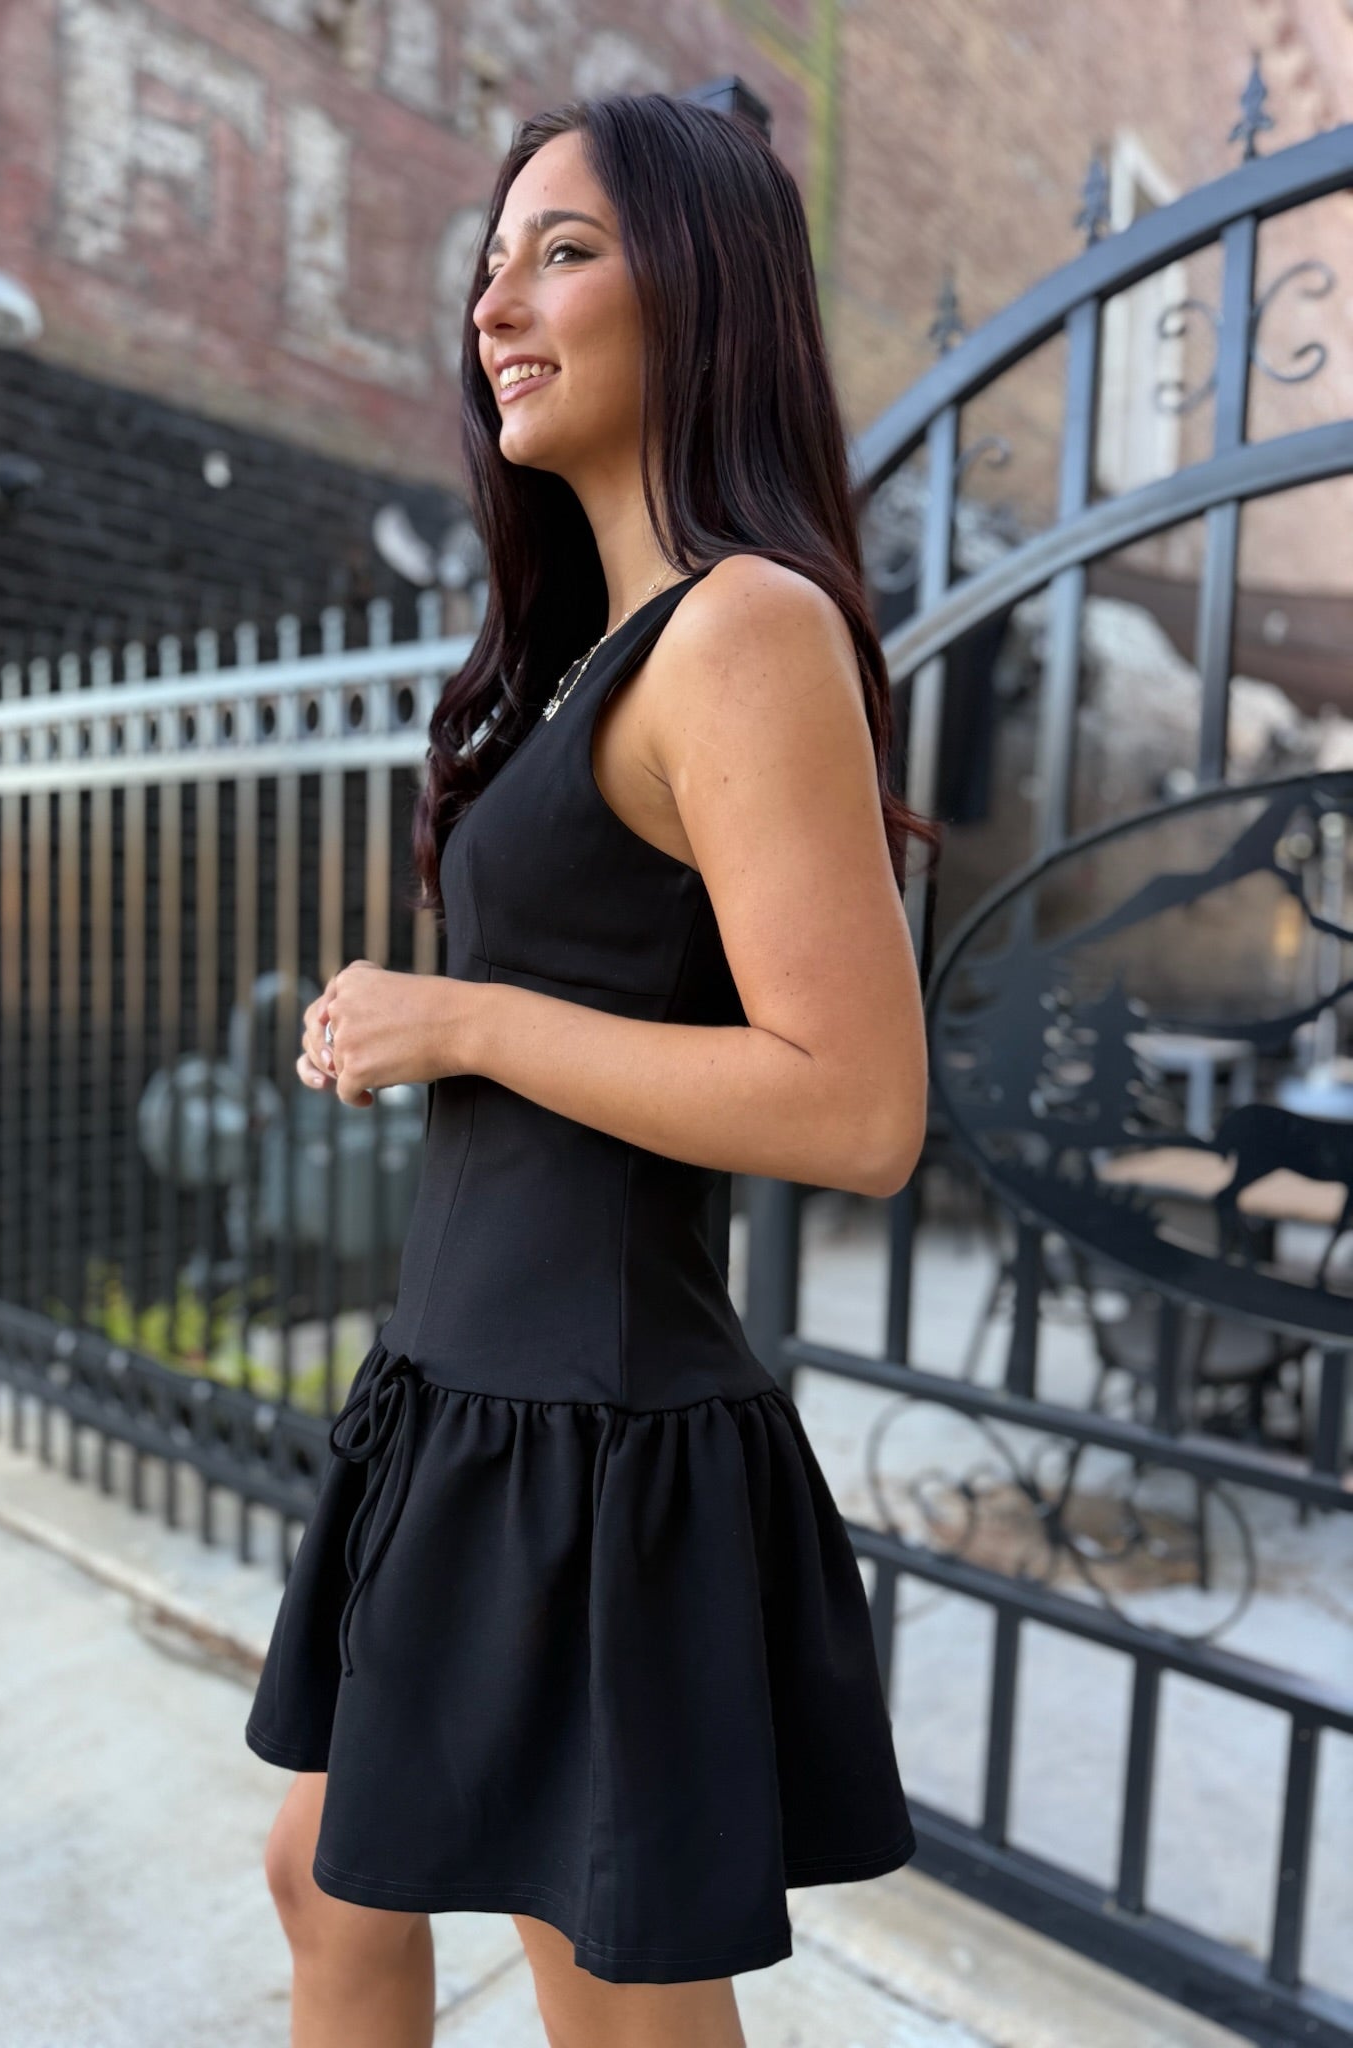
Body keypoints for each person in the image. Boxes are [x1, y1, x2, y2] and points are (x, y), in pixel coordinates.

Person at [246, 88, 936, 2048]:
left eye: (564, 252)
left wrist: (463, 1019)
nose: (496, 305)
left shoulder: (744, 627)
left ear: (701, 291)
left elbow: (857, 1105)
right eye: (493, 263)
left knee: (602, 1993)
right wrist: (420, 1020)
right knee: (329, 1877)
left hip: (589, 1440)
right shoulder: (593, 651)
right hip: (468, 1399)